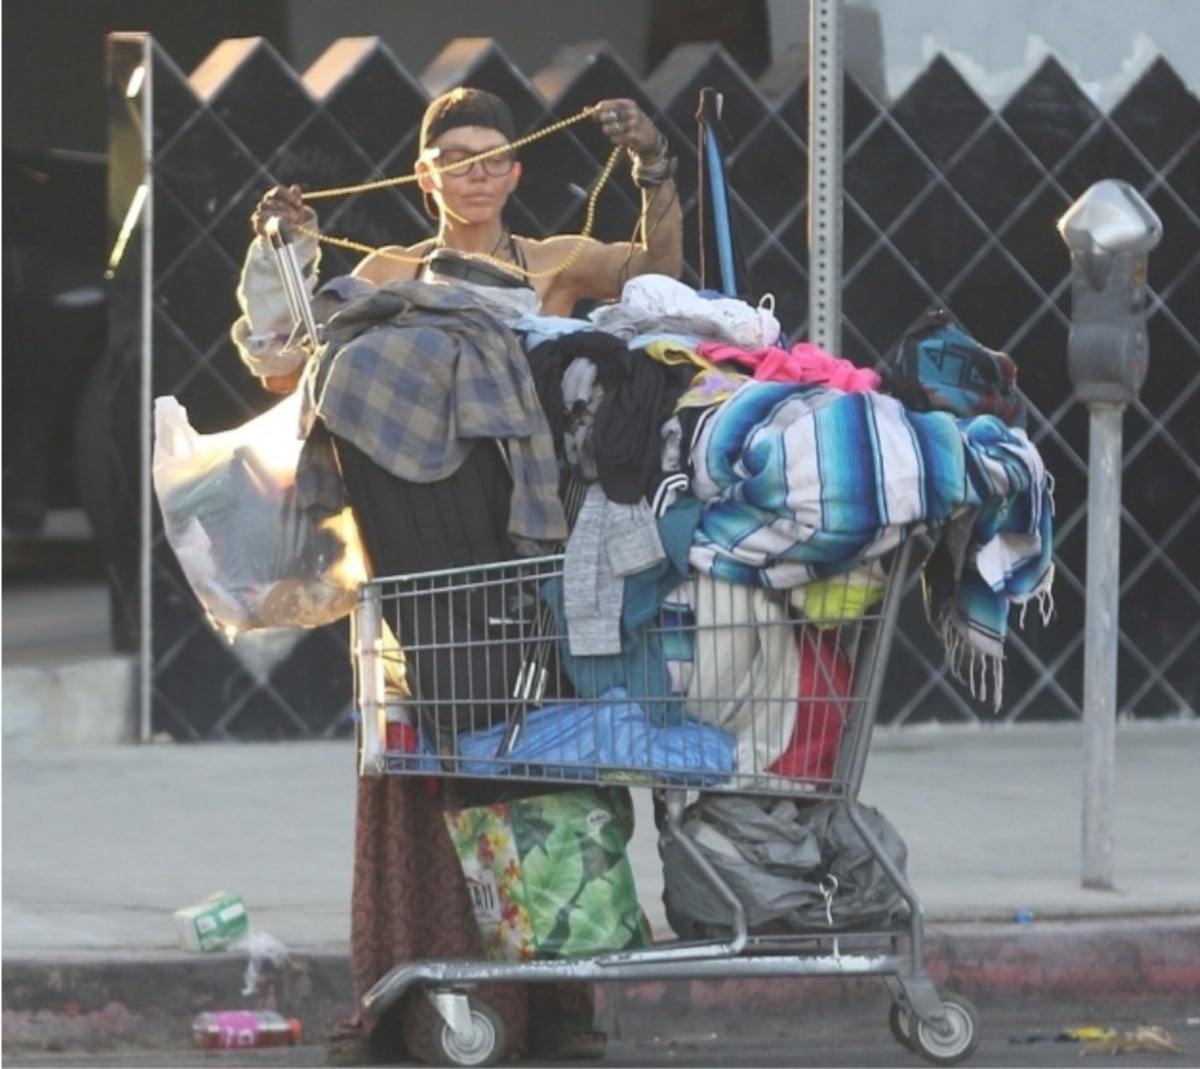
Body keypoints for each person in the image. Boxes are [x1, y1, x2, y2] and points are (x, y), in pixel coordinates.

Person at [232, 87, 683, 1065]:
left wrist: (655, 167)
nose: (476, 171)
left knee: (538, 772)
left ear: (518, 169)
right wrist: (283, 254)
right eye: (457, 156)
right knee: (428, 771)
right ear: (424, 171)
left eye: (494, 155)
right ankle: (428, 998)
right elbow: (282, 364)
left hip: (537, 552)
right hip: (427, 562)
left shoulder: (555, 262)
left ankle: (551, 1009)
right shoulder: (392, 272)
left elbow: (660, 276)